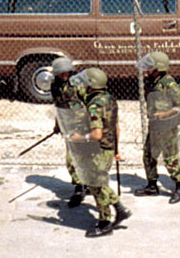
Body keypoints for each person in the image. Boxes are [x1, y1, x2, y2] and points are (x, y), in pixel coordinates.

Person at [70, 68, 131, 237]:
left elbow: (96, 134)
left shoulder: (95, 104)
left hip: (99, 150)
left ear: (91, 85)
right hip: (109, 147)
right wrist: (116, 149)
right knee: (98, 182)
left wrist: (79, 138)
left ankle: (105, 222)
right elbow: (115, 126)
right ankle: (120, 209)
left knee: (97, 185)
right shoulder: (110, 99)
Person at [133, 52, 180, 204]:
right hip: (155, 126)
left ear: (158, 68)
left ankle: (179, 187)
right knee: (148, 155)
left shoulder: (168, 82)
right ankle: (152, 185)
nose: (147, 70)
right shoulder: (151, 81)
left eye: (150, 67)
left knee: (170, 158)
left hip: (167, 126)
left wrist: (166, 113)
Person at [50, 57, 88, 207]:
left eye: (67, 72)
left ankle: (80, 187)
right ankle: (82, 184)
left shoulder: (78, 84)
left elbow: (89, 103)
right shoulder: (55, 86)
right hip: (68, 125)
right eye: (61, 73)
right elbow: (58, 105)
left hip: (82, 125)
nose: (64, 75)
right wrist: (57, 124)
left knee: (74, 159)